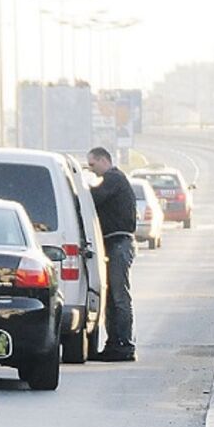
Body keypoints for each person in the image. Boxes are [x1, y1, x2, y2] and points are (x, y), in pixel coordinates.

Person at [87, 146, 138, 362]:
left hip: (119, 243)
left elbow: (93, 198)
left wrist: (79, 190)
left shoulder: (114, 178)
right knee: (111, 298)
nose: (92, 170)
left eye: (92, 164)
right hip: (112, 244)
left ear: (103, 160)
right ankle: (113, 343)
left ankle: (124, 345)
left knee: (119, 296)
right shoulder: (113, 180)